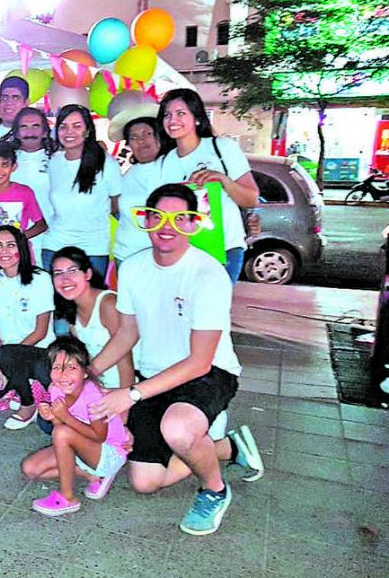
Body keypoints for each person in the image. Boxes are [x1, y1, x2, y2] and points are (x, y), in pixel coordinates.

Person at [88, 183, 264, 536]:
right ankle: (228, 447)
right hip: (155, 375)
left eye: (179, 218)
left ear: (193, 224)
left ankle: (214, 490)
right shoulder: (133, 268)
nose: (167, 226)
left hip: (209, 373)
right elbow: (127, 333)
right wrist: (88, 372)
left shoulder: (208, 275)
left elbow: (200, 362)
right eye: (159, 217)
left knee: (178, 429)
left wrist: (130, 394)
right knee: (144, 482)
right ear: (146, 220)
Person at [156, 89, 259, 283]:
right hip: (184, 251)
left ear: (197, 118)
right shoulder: (166, 161)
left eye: (180, 113)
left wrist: (223, 180)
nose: (172, 120)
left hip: (224, 249)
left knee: (215, 302)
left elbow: (251, 198)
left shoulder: (221, 147)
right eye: (167, 115)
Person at [23, 337, 130, 514]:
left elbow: (99, 436)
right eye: (57, 368)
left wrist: (64, 416)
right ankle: (90, 475)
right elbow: (59, 426)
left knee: (62, 433)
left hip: (108, 452)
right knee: (30, 469)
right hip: (79, 447)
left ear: (85, 372)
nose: (63, 375)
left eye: (71, 368)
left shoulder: (93, 397)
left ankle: (67, 497)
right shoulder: (56, 388)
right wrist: (53, 417)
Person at [0, 225, 56, 430]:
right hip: (6, 355)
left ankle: (28, 404)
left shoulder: (40, 279)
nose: (4, 251)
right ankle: (22, 387)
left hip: (39, 353)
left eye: (11, 245)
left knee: (8, 354)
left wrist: (4, 357)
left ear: (21, 248)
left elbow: (41, 332)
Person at [43, 104, 122, 278]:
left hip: (93, 247)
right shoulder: (54, 162)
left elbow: (116, 204)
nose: (69, 132)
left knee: (91, 295)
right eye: (63, 127)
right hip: (55, 245)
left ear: (87, 131)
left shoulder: (106, 163)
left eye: (76, 126)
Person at [49, 246, 134, 391]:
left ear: (88, 274)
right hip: (97, 386)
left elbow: (126, 358)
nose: (65, 279)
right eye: (58, 273)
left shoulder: (108, 303)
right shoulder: (71, 308)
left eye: (73, 271)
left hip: (125, 388)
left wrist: (126, 398)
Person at [110, 108, 162, 267]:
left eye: (147, 133)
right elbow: (115, 208)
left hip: (163, 258)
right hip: (126, 255)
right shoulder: (127, 175)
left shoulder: (173, 167)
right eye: (134, 137)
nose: (141, 140)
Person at [9, 107, 54, 257]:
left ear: (45, 132)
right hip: (15, 241)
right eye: (24, 127)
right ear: (16, 133)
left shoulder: (57, 159)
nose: (30, 132)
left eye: (36, 126)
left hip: (52, 240)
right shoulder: (6, 162)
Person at [0, 75, 30, 142]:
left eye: (15, 98)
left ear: (26, 103)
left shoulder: (31, 133)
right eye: (5, 97)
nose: (9, 102)